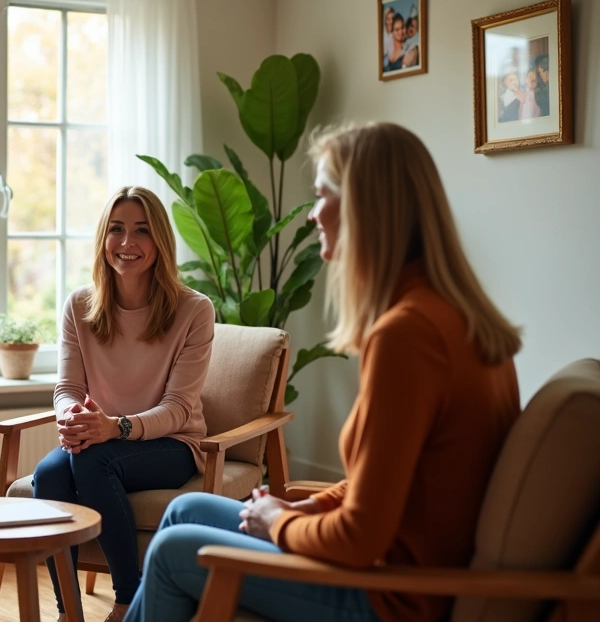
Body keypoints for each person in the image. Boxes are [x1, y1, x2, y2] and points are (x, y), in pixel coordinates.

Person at [124, 122, 523, 622]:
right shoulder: (454, 315)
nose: (312, 214)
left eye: (321, 196)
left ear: (361, 207)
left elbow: (359, 538)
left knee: (172, 551)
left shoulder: (408, 336)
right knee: (186, 510)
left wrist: (278, 521)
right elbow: (377, 486)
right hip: (386, 568)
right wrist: (302, 510)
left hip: (392, 597)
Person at [33, 186, 215, 622]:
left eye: (142, 231)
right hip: (99, 438)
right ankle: (68, 611)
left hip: (171, 443)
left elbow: (178, 408)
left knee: (93, 459)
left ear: (160, 241)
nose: (127, 242)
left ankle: (129, 602)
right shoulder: (79, 305)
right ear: (103, 238)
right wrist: (72, 417)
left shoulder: (194, 310)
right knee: (48, 474)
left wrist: (116, 427)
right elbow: (67, 388)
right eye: (116, 229)